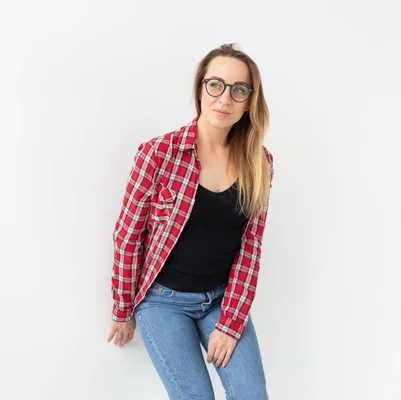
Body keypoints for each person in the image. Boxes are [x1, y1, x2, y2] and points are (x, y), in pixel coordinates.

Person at [106, 43, 274, 400]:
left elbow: (251, 247)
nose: (224, 98)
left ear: (249, 101)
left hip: (220, 300)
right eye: (215, 84)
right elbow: (128, 235)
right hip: (162, 302)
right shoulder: (159, 153)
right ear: (200, 89)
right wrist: (122, 310)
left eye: (238, 90)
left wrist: (230, 322)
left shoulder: (259, 163)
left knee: (252, 395)